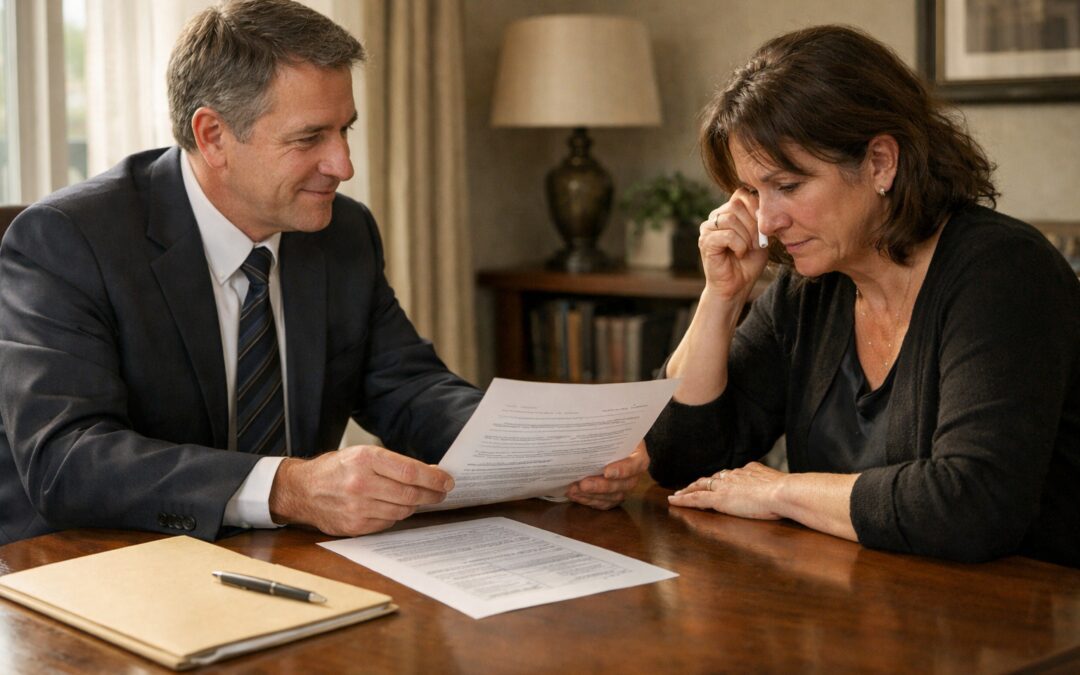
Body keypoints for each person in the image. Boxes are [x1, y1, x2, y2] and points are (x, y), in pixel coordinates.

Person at [0, 0, 645, 547]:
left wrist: (550, 454)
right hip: (92, 565)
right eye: (310, 138)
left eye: (345, 131)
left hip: (283, 566)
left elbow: (408, 388)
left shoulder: (341, 232)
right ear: (214, 135)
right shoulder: (67, 241)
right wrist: (288, 487)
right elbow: (67, 458)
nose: (342, 165)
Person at [646, 25, 1080, 567]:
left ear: (880, 162)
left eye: (788, 186)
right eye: (752, 192)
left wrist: (780, 491)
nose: (766, 221)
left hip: (1022, 620)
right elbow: (680, 460)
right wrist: (722, 297)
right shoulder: (811, 287)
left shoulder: (1005, 271)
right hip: (869, 605)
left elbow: (973, 506)